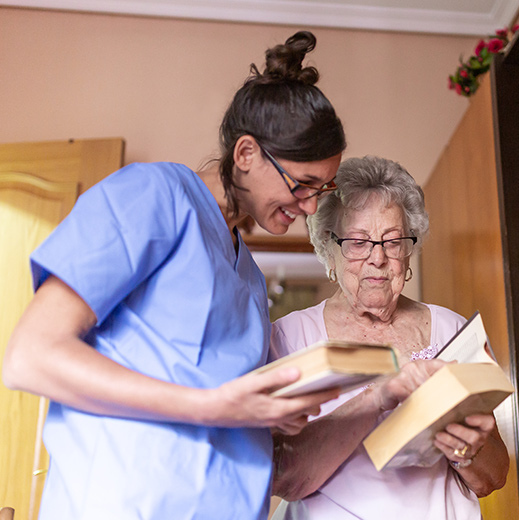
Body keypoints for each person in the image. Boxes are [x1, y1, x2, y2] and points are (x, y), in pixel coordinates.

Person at [2, 31, 347, 520]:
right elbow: (29, 356)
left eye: (322, 189)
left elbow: (217, 405)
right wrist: (216, 407)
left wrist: (269, 416)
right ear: (246, 154)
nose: (311, 206)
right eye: (302, 184)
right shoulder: (153, 196)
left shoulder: (247, 276)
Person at [269, 156, 510, 519]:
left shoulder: (453, 329)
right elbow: (285, 479)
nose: (378, 258)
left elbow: (494, 477)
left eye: (393, 242)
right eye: (358, 242)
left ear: (409, 251)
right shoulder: (289, 337)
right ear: (328, 248)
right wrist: (377, 397)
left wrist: (467, 450)